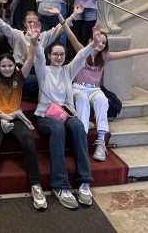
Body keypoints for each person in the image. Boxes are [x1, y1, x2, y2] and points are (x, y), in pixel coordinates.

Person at [68, 31, 148, 161]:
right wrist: (63, 19)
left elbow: (129, 53)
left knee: (102, 99)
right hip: (78, 87)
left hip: (95, 89)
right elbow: (71, 36)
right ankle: (81, 141)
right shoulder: (82, 51)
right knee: (82, 100)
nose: (101, 44)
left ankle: (101, 142)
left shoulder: (105, 56)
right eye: (99, 40)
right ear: (91, 40)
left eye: (104, 42)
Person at [33, 16, 102, 209]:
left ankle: (84, 181)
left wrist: (94, 44)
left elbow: (80, 57)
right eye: (55, 54)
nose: (58, 57)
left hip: (66, 114)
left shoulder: (67, 71)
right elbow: (37, 55)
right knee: (58, 129)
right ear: (49, 56)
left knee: (79, 125)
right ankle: (60, 185)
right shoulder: (43, 70)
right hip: (46, 117)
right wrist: (34, 41)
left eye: (61, 54)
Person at [0, 23, 47, 213]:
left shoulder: (20, 75)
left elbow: (31, 59)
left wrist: (34, 41)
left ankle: (36, 185)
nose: (8, 68)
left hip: (16, 117)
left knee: (28, 139)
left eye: (10, 65)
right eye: (4, 66)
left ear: (14, 66)